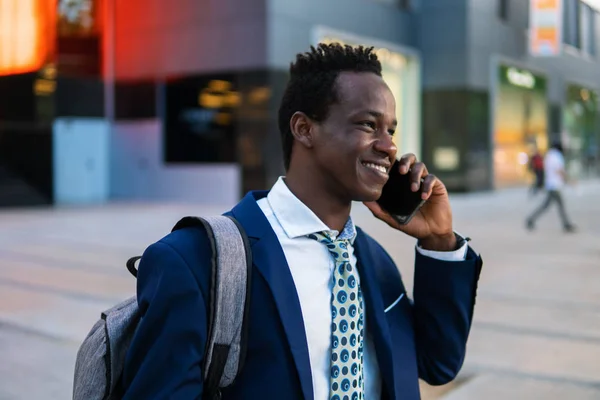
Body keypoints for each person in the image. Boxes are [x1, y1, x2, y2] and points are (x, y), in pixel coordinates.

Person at [121, 44, 483, 400]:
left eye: (390, 130)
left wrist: (439, 240)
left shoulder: (374, 261)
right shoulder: (194, 261)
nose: (389, 146)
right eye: (368, 125)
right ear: (304, 129)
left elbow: (438, 364)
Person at [526, 141, 576, 232]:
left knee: (548, 206)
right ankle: (566, 225)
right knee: (557, 206)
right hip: (555, 185)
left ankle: (531, 219)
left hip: (550, 184)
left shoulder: (549, 155)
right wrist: (569, 180)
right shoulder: (557, 156)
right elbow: (559, 170)